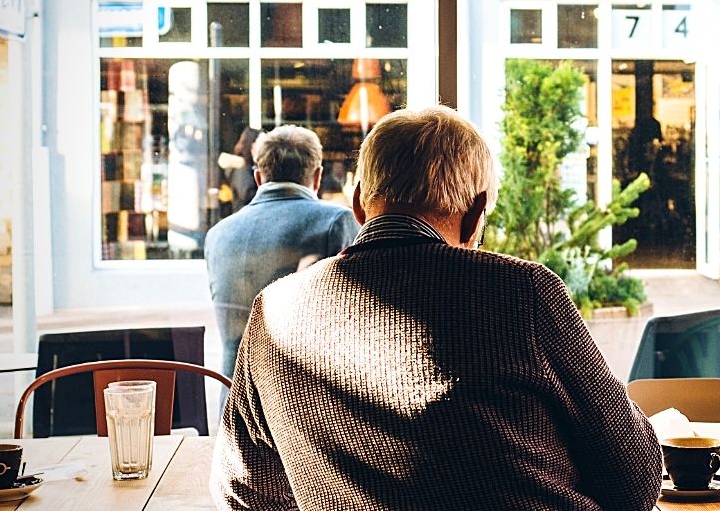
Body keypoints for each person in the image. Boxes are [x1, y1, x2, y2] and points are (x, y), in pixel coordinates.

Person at [211, 106, 663, 511]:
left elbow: (245, 490)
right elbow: (634, 483)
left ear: (359, 205)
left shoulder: (274, 311)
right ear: (476, 212)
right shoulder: (523, 293)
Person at [204, 125, 359, 378]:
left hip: (233, 402)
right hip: (300, 402)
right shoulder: (336, 222)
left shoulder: (218, 234)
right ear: (317, 177)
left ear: (258, 178)